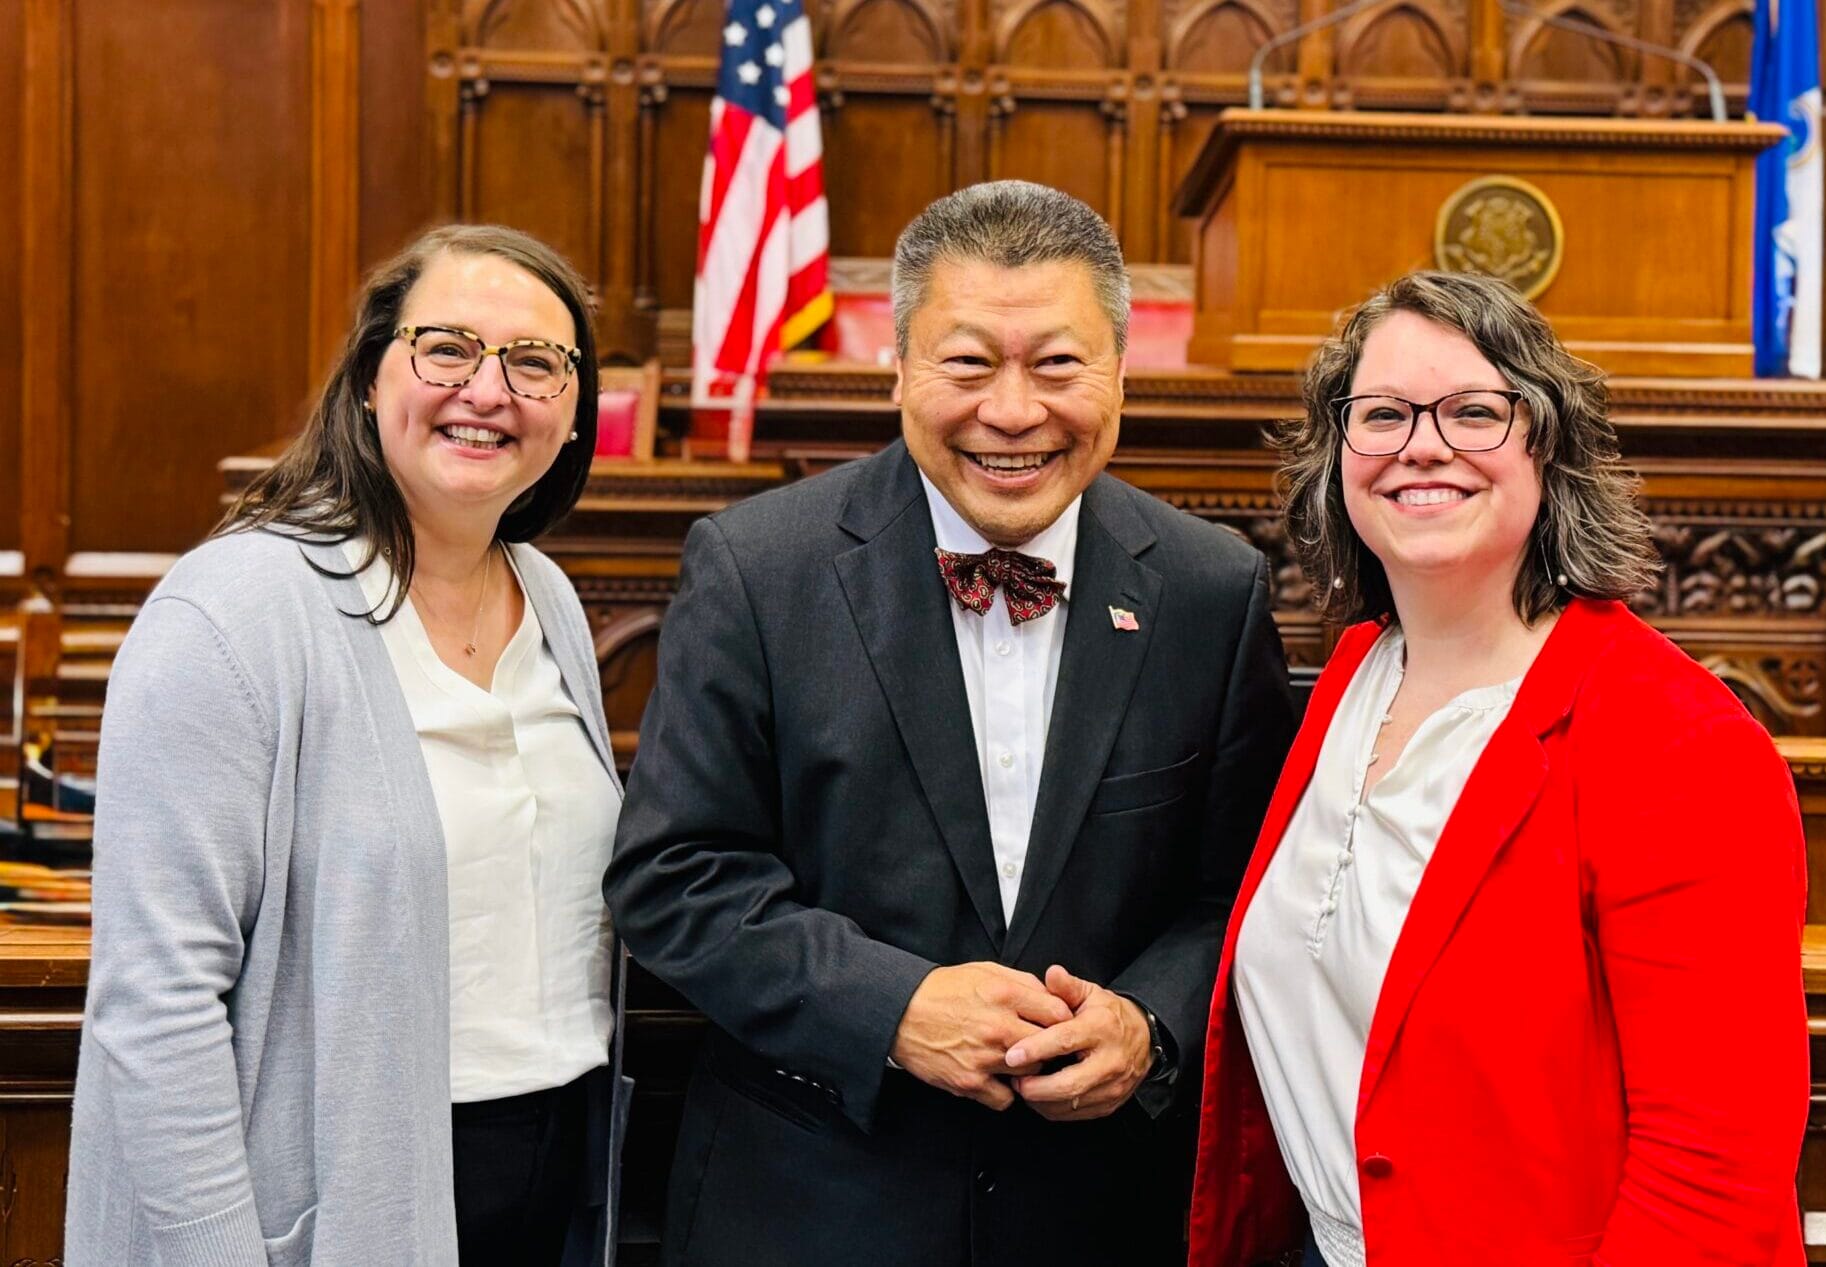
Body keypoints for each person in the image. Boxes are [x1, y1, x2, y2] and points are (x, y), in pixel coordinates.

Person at [606, 180, 1295, 1266]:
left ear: (1120, 371)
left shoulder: (1215, 589)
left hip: (1103, 1217)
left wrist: (1149, 1023)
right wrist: (892, 1007)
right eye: (968, 363)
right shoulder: (756, 568)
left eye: (1057, 365)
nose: (1013, 412)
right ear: (899, 368)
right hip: (809, 1209)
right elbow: (674, 875)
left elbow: (1243, 893)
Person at [1186, 270, 1810, 1267]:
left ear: (1547, 448)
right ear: (1337, 456)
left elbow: (1713, 1174)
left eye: (1474, 412)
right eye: (1382, 413)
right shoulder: (1353, 674)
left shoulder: (1676, 741)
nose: (1422, 444)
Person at [65, 224, 630, 1267]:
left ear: (572, 410)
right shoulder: (233, 611)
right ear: (371, 379)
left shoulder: (547, 598)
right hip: (341, 1198)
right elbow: (156, 1000)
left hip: (548, 1173)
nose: (488, 390)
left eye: (535, 362)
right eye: (447, 348)